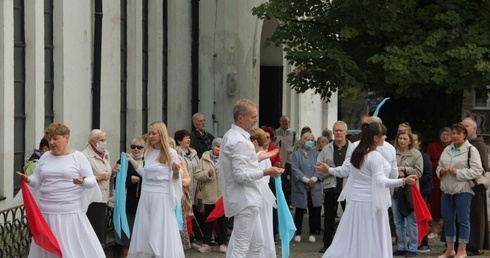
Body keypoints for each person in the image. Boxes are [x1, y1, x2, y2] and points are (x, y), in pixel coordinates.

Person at [316, 122, 418, 258]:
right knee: (371, 236)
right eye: (383, 135)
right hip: (370, 203)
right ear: (375, 138)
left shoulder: (357, 151)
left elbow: (345, 170)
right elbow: (380, 181)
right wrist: (404, 181)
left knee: (358, 236)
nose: (385, 137)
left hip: (356, 202)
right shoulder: (374, 156)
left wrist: (329, 169)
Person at [17, 123, 105, 257]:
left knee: (71, 250)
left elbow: (92, 181)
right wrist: (28, 180)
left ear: (66, 138)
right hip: (46, 213)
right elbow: (37, 180)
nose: (51, 142)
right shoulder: (45, 157)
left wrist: (83, 181)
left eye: (55, 139)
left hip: (70, 214)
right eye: (49, 139)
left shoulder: (78, 157)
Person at [219, 98, 283, 258]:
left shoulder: (231, 136)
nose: (255, 120)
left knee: (256, 244)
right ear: (241, 118)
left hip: (245, 198)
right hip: (246, 199)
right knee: (241, 248)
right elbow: (240, 175)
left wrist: (260, 159)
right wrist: (266, 172)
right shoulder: (240, 141)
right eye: (252, 117)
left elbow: (242, 166)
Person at [127, 121, 185, 258]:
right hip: (146, 195)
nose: (151, 136)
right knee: (145, 230)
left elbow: (174, 179)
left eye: (154, 133)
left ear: (161, 134)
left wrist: (176, 172)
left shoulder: (171, 153)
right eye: (150, 133)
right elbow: (146, 175)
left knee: (158, 230)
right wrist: (132, 161)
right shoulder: (148, 152)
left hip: (162, 196)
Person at [436, 123, 483, 258]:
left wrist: (458, 172)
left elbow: (477, 170)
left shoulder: (471, 150)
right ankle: (450, 249)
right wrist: (441, 171)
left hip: (463, 189)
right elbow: (439, 166)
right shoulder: (447, 149)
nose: (455, 136)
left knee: (463, 219)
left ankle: (462, 250)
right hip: (446, 189)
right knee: (448, 219)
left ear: (464, 135)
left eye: (458, 133)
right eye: (453, 133)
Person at [317, 121, 353, 253]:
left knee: (349, 217)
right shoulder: (327, 148)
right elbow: (319, 168)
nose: (338, 133)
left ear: (346, 132)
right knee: (329, 218)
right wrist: (330, 171)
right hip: (330, 187)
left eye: (340, 130)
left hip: (347, 187)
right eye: (336, 130)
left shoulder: (352, 148)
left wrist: (332, 169)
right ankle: (327, 245)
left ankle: (349, 244)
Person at [82, 129, 118, 244]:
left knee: (102, 232)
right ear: (93, 142)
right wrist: (98, 177)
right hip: (92, 199)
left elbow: (105, 172)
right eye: (101, 140)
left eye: (105, 140)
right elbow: (82, 178)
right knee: (93, 232)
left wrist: (112, 172)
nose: (104, 143)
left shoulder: (105, 153)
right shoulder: (85, 156)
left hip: (104, 197)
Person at [461, 117, 490, 255]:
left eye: (466, 126)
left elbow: (484, 166)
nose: (463, 128)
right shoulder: (459, 144)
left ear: (474, 129)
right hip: (459, 185)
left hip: (474, 186)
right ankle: (459, 244)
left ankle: (473, 245)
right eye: (461, 126)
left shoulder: (479, 145)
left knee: (474, 216)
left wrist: (463, 170)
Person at [194, 138, 228, 253]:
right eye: (217, 146)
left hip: (222, 195)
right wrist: (207, 173)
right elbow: (197, 175)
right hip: (209, 195)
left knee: (223, 221)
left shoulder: (226, 158)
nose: (220, 148)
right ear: (212, 147)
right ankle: (206, 243)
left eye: (222, 146)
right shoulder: (204, 159)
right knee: (208, 220)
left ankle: (223, 243)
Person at [392, 131, 423, 257]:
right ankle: (401, 245)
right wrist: (395, 171)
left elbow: (419, 172)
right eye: (400, 138)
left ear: (410, 141)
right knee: (397, 220)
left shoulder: (416, 154)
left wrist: (405, 169)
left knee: (412, 220)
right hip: (395, 189)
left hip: (410, 191)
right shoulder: (393, 152)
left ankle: (413, 246)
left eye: (405, 138)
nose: (402, 141)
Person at [114, 138, 144, 258]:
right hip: (128, 203)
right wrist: (129, 180)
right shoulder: (122, 161)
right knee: (126, 237)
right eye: (133, 146)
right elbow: (117, 181)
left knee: (142, 236)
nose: (136, 149)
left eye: (139, 147)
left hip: (144, 202)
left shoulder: (148, 162)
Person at [250, 128, 277, 258]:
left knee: (260, 222)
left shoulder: (258, 157)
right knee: (265, 222)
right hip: (265, 192)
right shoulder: (265, 156)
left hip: (259, 192)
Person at [291, 132, 322, 243]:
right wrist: (306, 180)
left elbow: (320, 168)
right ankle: (298, 233)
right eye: (307, 139)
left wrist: (313, 179)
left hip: (314, 185)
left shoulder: (317, 154)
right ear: (302, 141)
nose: (309, 141)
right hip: (301, 186)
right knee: (299, 211)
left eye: (311, 139)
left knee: (314, 210)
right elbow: (295, 169)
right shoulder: (296, 155)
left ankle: (312, 233)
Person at [426, 127, 451, 240]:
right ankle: (434, 231)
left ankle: (447, 233)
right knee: (435, 208)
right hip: (436, 182)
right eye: (443, 134)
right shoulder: (432, 147)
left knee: (449, 209)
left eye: (447, 134)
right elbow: (427, 162)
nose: (445, 137)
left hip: (451, 181)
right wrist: (439, 166)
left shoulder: (454, 147)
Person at [169, 137, 193, 250]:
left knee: (179, 222)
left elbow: (187, 176)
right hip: (166, 196)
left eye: (170, 145)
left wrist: (184, 181)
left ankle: (178, 248)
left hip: (179, 195)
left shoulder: (179, 159)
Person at [412, 131, 433, 253]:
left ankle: (424, 242)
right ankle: (415, 240)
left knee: (421, 216)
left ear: (419, 142)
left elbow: (428, 175)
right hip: (410, 190)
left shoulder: (424, 156)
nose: (412, 142)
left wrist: (415, 182)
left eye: (415, 140)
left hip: (422, 190)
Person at [275, 115, 299, 205]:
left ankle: (290, 200)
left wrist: (289, 151)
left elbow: (297, 144)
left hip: (290, 161)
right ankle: (281, 200)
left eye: (286, 121)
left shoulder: (293, 133)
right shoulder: (276, 132)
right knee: (281, 180)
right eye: (283, 121)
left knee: (291, 181)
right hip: (279, 161)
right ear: (280, 122)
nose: (285, 123)